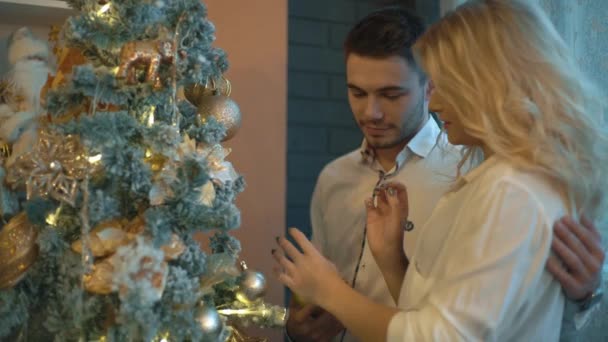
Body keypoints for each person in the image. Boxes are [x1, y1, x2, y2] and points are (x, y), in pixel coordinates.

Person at [279, 1, 606, 341]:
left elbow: (442, 335)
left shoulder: (510, 188)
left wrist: (330, 291)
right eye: (358, 93)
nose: (434, 103)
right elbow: (440, 311)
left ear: (487, 84)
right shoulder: (490, 179)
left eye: (392, 94)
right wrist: (392, 260)